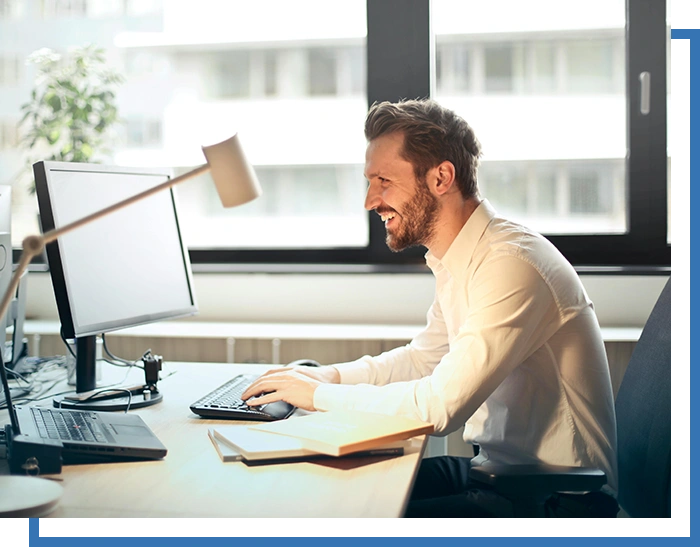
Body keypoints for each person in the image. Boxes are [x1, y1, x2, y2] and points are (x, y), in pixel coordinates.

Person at [241, 98, 619, 519]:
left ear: (441, 177)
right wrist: (326, 376)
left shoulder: (511, 264)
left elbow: (440, 408)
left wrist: (318, 396)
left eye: (383, 180)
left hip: (558, 501)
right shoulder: (460, 257)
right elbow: (424, 360)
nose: (370, 200)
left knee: (347, 514)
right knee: (326, 489)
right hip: (498, 476)